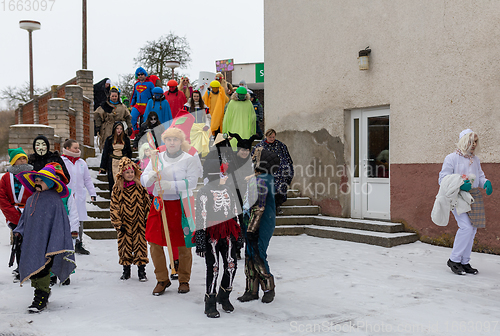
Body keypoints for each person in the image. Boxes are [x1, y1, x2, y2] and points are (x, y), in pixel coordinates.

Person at [141, 127, 202, 295]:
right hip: (160, 205)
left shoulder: (189, 159)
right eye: (169, 139)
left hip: (181, 205)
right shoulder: (156, 158)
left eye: (175, 139)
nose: (172, 142)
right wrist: (150, 178)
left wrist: (171, 185)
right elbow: (143, 179)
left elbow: (192, 182)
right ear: (164, 142)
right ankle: (162, 279)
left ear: (180, 142)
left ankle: (184, 279)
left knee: (183, 244)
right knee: (154, 241)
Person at [14, 164, 76, 313]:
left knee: (43, 268)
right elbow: (24, 220)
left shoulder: (54, 201)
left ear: (49, 183)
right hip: (32, 241)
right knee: (34, 268)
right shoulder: (31, 199)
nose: (37, 183)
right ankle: (40, 292)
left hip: (48, 242)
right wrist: (19, 231)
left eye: (41, 181)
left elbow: (60, 222)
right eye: (36, 180)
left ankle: (41, 296)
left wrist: (56, 240)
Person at [439, 129, 493, 275]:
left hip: (473, 197)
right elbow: (443, 178)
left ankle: (464, 261)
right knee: (466, 228)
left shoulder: (475, 160)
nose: (474, 144)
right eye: (470, 141)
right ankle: (454, 260)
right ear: (463, 141)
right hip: (457, 197)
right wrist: (460, 184)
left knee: (473, 229)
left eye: (475, 141)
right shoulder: (451, 158)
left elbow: (480, 176)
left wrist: (485, 182)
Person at [195, 158, 242, 318]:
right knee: (213, 268)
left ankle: (224, 295)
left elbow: (236, 213)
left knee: (231, 265)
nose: (226, 177)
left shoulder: (229, 191)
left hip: (228, 232)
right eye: (223, 174)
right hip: (211, 234)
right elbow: (200, 218)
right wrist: (200, 241)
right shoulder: (204, 192)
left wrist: (239, 236)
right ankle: (210, 301)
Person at [238, 147, 279, 304]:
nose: (252, 160)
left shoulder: (262, 180)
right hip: (254, 223)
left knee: (257, 254)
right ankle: (251, 290)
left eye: (255, 158)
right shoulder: (260, 178)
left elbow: (259, 207)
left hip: (260, 224)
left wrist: (251, 229)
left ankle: (268, 288)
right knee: (250, 254)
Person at [110, 157, 151, 282]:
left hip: (139, 223)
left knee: (140, 246)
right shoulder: (117, 188)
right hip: (124, 223)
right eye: (127, 172)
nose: (130, 174)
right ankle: (126, 270)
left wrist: (147, 219)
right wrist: (118, 223)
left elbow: (147, 204)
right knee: (125, 246)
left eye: (132, 172)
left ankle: (141, 271)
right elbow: (114, 206)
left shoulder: (140, 187)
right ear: (122, 173)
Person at [0, 148, 33, 282]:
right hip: (15, 215)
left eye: (24, 158)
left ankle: (33, 267)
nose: (22, 161)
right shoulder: (6, 177)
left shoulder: (33, 175)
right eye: (19, 159)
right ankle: (21, 268)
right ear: (13, 161)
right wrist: (14, 215)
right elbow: (2, 198)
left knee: (32, 243)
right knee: (18, 243)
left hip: (31, 214)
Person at [61, 139, 97, 255]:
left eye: (78, 148)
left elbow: (87, 179)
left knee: (79, 220)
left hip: (79, 196)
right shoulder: (61, 161)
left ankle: (79, 243)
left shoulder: (82, 163)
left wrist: (92, 193)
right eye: (75, 148)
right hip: (66, 196)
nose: (77, 150)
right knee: (66, 219)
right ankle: (64, 244)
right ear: (67, 149)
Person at [48, 162, 79, 286]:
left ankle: (65, 274)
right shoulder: (46, 194)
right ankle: (51, 275)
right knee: (50, 253)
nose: (56, 179)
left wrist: (74, 228)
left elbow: (73, 211)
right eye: (53, 177)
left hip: (64, 227)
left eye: (58, 177)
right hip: (50, 228)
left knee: (64, 252)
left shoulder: (68, 193)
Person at [252, 129, 294, 214]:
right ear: (266, 136)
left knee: (280, 183)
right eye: (270, 137)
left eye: (273, 137)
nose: (272, 139)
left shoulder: (280, 145)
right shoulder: (260, 146)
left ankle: (277, 205)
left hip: (278, 171)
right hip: (265, 171)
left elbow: (286, 159)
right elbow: (254, 159)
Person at [94, 87, 133, 151]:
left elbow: (128, 117)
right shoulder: (104, 106)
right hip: (108, 128)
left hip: (120, 128)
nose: (114, 98)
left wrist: (129, 127)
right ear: (109, 96)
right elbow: (97, 115)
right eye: (113, 96)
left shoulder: (122, 107)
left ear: (118, 96)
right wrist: (98, 126)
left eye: (115, 96)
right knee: (108, 145)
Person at [100, 122, 133, 192]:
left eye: (121, 129)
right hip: (112, 162)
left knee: (123, 181)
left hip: (123, 163)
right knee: (113, 181)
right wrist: (102, 167)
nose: (119, 130)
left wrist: (129, 163)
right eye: (117, 128)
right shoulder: (109, 139)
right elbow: (105, 153)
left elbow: (129, 152)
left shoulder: (126, 139)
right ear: (114, 129)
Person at [222, 86, 256, 150]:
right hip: (233, 128)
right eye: (240, 95)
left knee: (244, 146)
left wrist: (252, 132)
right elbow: (227, 118)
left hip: (246, 129)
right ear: (236, 94)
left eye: (243, 95)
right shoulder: (232, 103)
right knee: (234, 145)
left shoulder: (249, 103)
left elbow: (253, 118)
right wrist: (225, 131)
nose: (242, 96)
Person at [184, 90, 211, 157]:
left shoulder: (204, 107)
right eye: (194, 96)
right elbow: (183, 117)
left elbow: (208, 117)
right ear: (192, 97)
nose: (196, 98)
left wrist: (207, 126)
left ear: (200, 97)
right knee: (191, 146)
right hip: (191, 129)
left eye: (197, 96)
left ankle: (198, 160)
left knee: (200, 147)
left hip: (201, 128)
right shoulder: (187, 106)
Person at [130, 67, 155, 132]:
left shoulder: (150, 83)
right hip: (138, 105)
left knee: (146, 122)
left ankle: (144, 133)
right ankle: (136, 131)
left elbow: (154, 94)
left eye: (142, 74)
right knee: (132, 118)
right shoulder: (136, 84)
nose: (140, 76)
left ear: (145, 74)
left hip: (146, 105)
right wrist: (132, 105)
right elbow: (134, 96)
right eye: (138, 75)